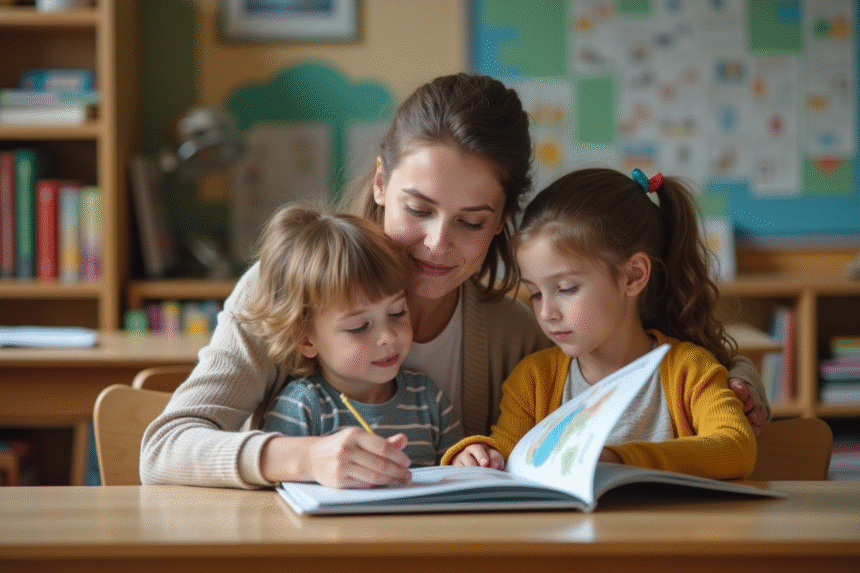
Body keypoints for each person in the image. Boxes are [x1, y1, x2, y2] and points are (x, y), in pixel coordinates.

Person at [141, 73, 768, 489]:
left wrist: (737, 380)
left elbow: (637, 366)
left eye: (472, 221)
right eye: (418, 209)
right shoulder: (285, 287)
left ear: (501, 225)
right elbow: (164, 447)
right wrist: (300, 457)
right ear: (382, 183)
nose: (437, 245)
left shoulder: (514, 330)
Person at [445, 168, 756, 480]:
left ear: (633, 276)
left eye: (566, 288)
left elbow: (735, 447)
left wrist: (619, 460)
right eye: (536, 293)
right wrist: (479, 454)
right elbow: (508, 453)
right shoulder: (534, 381)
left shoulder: (689, 370)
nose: (546, 312)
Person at [247, 205, 462, 488]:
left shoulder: (428, 399)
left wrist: (469, 458)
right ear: (306, 339)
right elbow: (281, 495)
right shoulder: (302, 407)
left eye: (397, 313)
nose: (387, 336)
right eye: (360, 326)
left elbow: (456, 475)